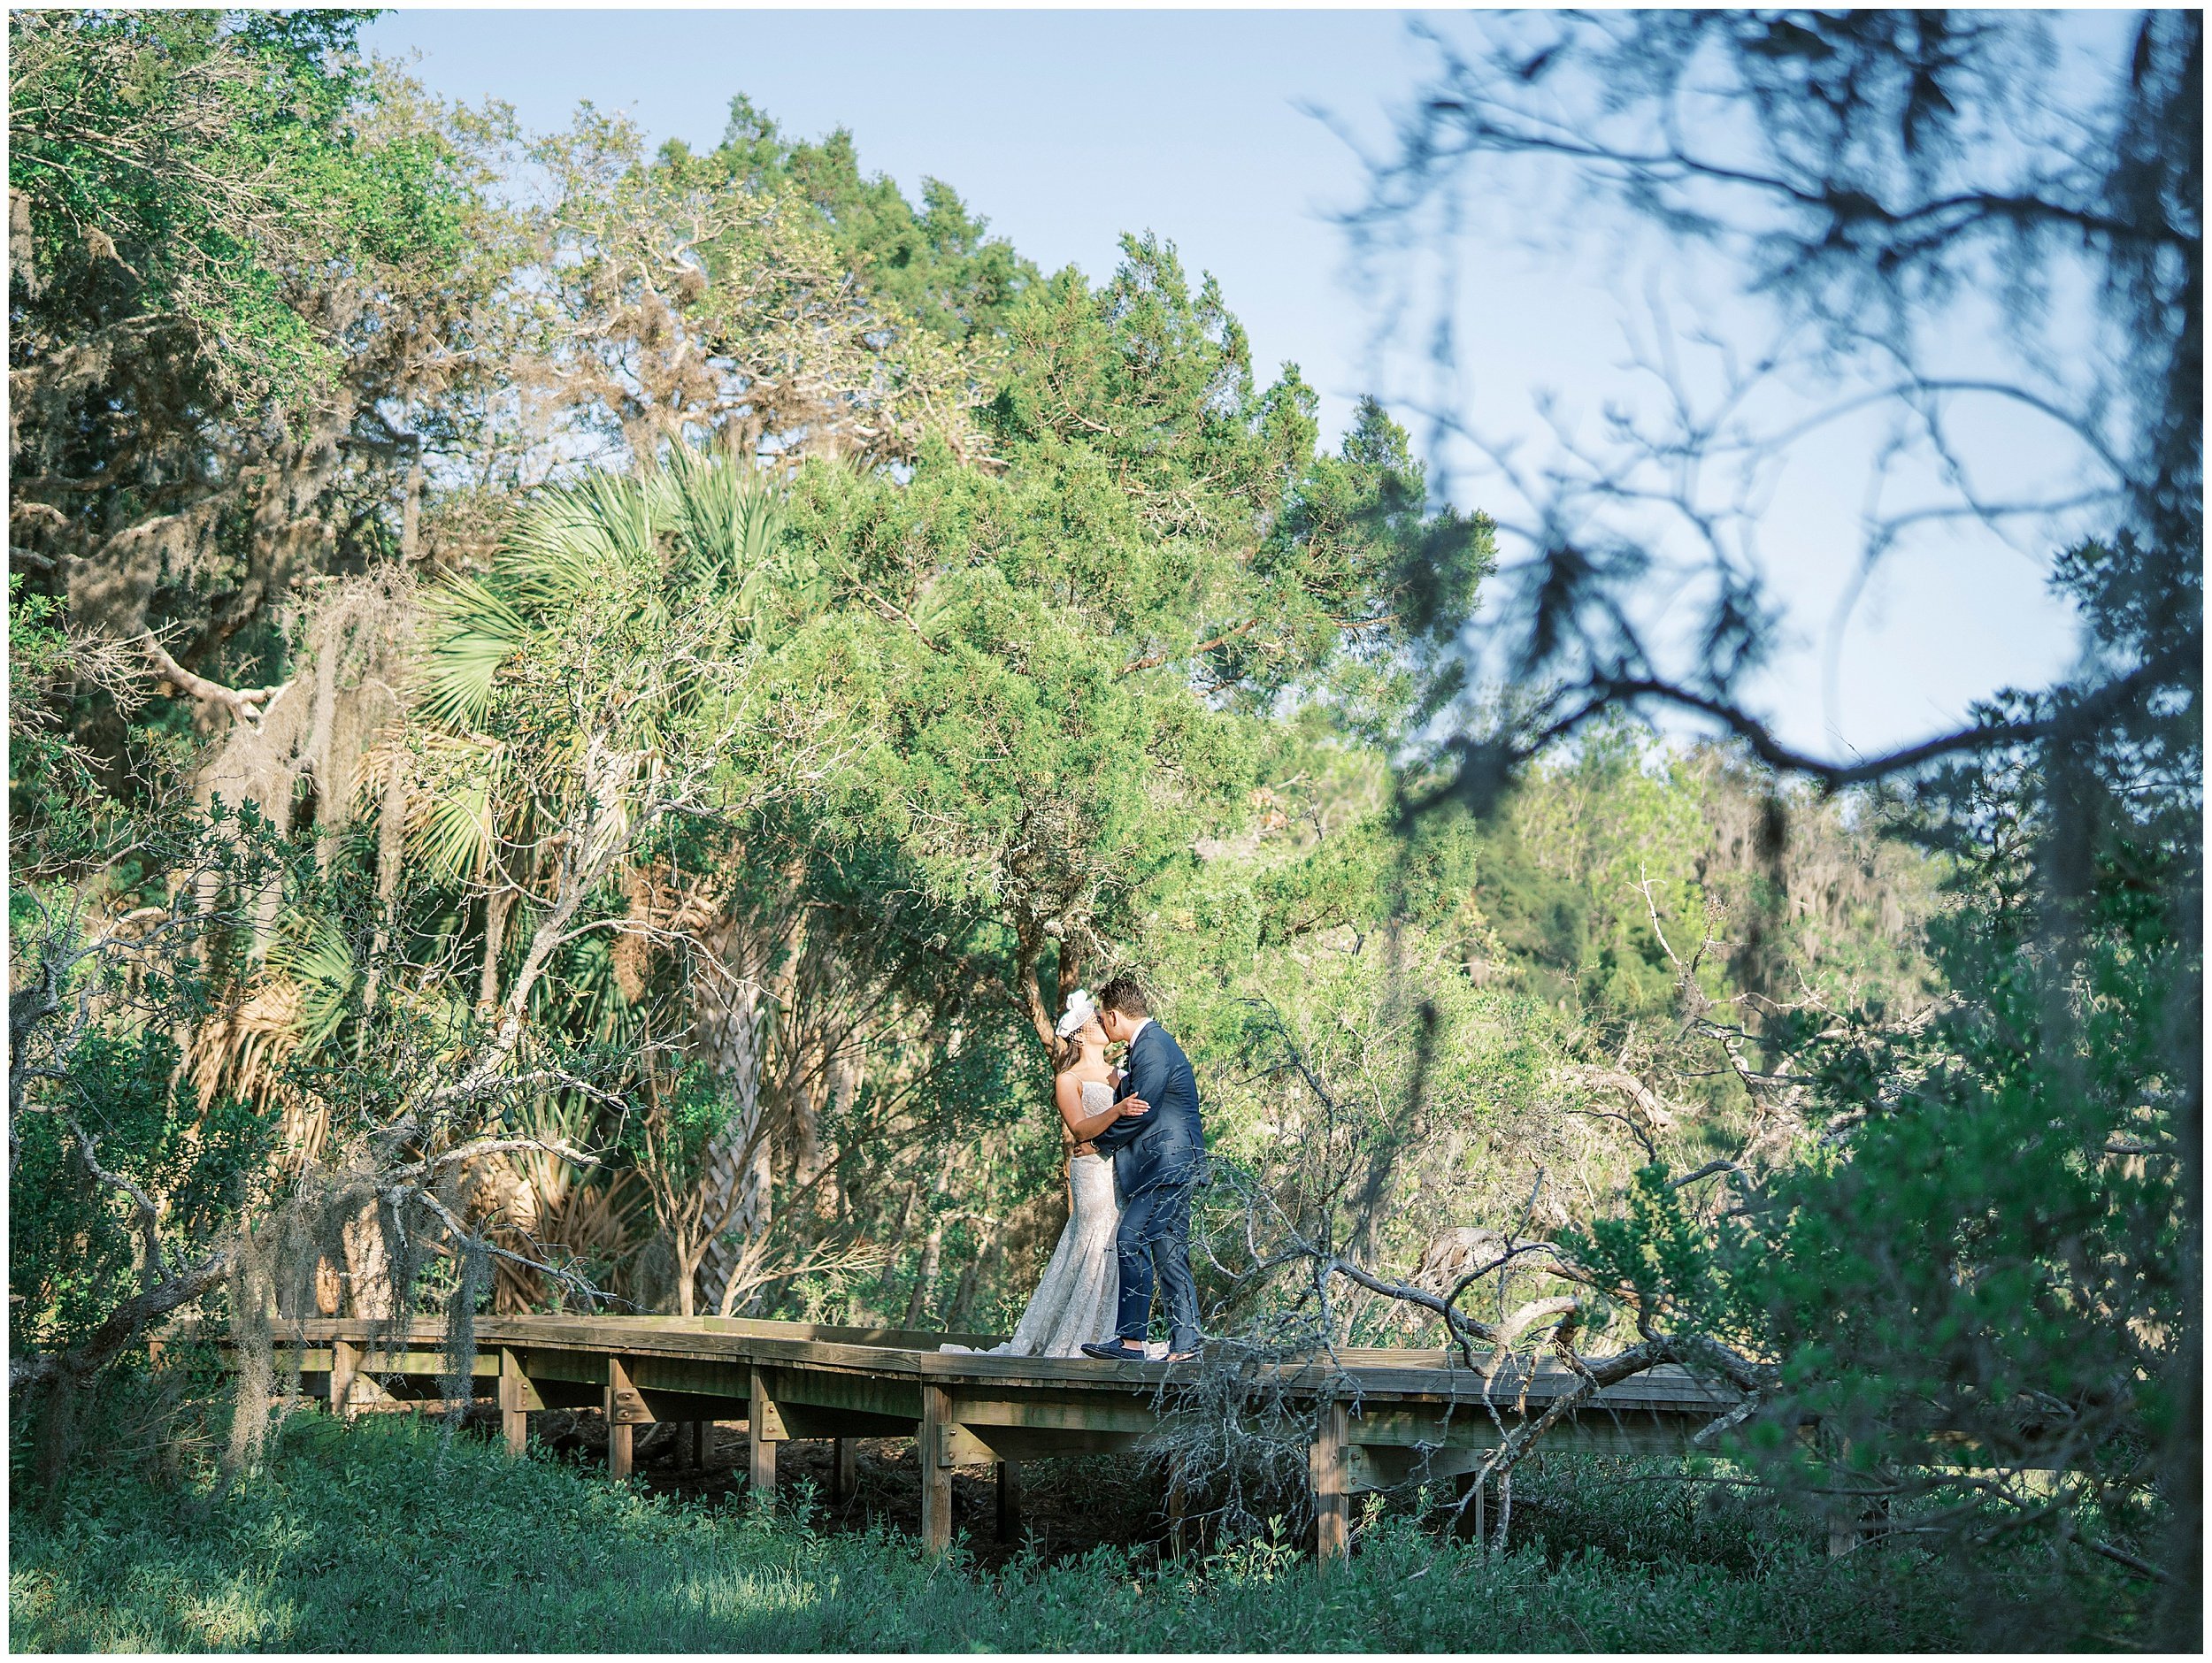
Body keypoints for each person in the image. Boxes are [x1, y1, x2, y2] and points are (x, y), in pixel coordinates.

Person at [940, 990, 1143, 1358]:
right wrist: (1117, 1111)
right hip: (1091, 1172)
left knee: (1117, 1241)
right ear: (1079, 1034)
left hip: (1119, 1168)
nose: (1102, 1020)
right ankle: (1075, 1337)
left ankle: (1114, 1335)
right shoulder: (1069, 1078)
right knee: (1094, 1240)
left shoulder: (1123, 1073)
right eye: (1094, 1019)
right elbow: (1080, 1128)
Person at [1079, 976, 1205, 1363]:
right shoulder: (1149, 1046)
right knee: (1168, 1250)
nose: (1102, 1022)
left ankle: (1133, 1343)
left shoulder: (1151, 1046)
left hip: (1166, 1166)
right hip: (1168, 1166)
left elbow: (1143, 1108)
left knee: (1130, 1239)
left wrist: (1099, 1144)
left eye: (1102, 1016)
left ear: (1114, 1015)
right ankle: (1186, 1343)